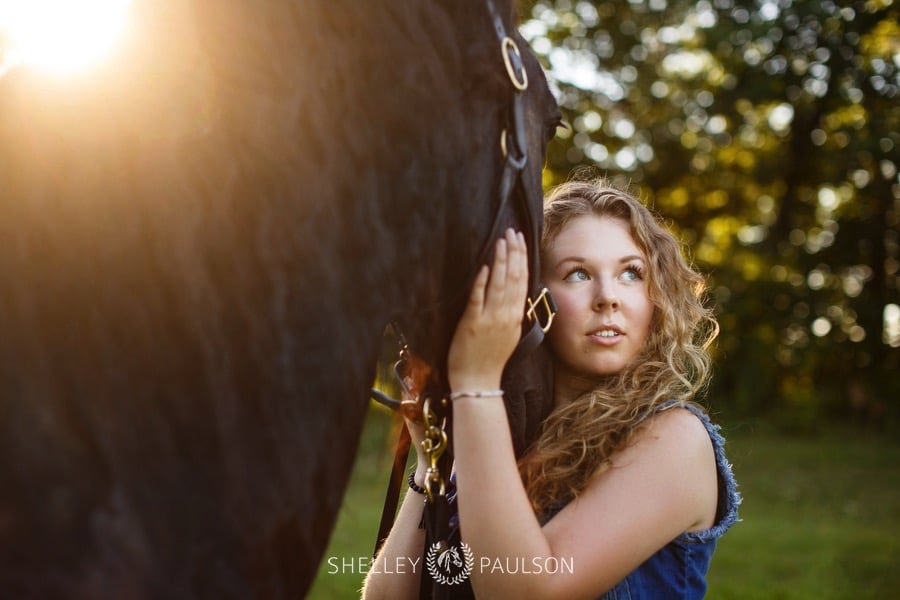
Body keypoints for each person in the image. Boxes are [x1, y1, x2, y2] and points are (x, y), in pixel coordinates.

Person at [362, 177, 740, 599]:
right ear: (529, 299)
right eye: (577, 273)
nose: (608, 297)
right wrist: (430, 464)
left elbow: (528, 592)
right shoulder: (499, 435)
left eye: (631, 273)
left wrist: (475, 383)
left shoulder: (674, 438)